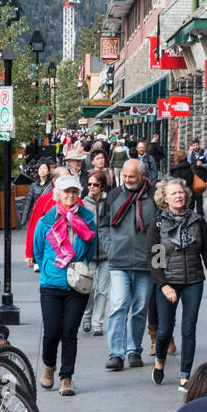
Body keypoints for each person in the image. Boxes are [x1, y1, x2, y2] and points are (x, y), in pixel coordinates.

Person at [147, 178, 207, 390]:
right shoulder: (158, 224)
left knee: (189, 329)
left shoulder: (198, 221)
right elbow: (155, 260)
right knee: (165, 329)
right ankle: (160, 361)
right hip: (168, 282)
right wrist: (164, 285)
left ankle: (185, 375)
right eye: (173, 193)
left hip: (194, 280)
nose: (178, 196)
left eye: (181, 192)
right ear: (165, 199)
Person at [33, 173, 96, 397]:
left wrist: (75, 267)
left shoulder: (88, 218)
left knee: (69, 332)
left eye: (74, 192)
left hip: (76, 285)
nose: (70, 195)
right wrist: (53, 267)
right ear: (57, 194)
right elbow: (38, 252)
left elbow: (90, 249)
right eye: (66, 191)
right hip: (51, 284)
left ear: (78, 195)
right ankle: (49, 365)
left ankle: (66, 378)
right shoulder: (46, 221)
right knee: (51, 332)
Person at [104, 159, 157, 371]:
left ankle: (134, 349)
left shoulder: (154, 196)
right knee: (118, 305)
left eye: (131, 177)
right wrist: (109, 247)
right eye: (124, 176)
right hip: (119, 261)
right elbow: (102, 224)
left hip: (146, 262)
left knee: (140, 308)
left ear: (143, 176)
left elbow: (161, 228)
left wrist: (158, 263)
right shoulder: (115, 195)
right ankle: (116, 353)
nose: (126, 180)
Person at [81, 168, 111, 336]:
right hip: (89, 253)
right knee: (88, 288)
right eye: (89, 184)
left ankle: (97, 323)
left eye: (95, 185)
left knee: (102, 290)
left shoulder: (110, 202)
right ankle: (87, 316)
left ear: (102, 186)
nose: (91, 187)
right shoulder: (83, 204)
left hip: (106, 253)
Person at [25, 166, 67, 271]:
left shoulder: (77, 200)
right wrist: (29, 252)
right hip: (49, 252)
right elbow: (34, 226)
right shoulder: (44, 200)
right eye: (65, 178)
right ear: (55, 181)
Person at [20, 160, 53, 228]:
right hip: (37, 212)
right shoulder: (34, 185)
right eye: (40, 168)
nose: (42, 170)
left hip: (49, 212)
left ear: (48, 171)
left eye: (44, 168)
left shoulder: (52, 184)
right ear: (38, 171)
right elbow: (28, 202)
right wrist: (23, 219)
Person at [187, 137, 207, 215]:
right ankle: (190, 212)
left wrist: (202, 165)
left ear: (199, 145)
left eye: (196, 145)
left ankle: (200, 213)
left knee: (199, 194)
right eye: (194, 146)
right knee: (192, 194)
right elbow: (188, 164)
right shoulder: (190, 154)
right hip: (193, 177)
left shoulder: (204, 152)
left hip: (202, 177)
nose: (195, 147)